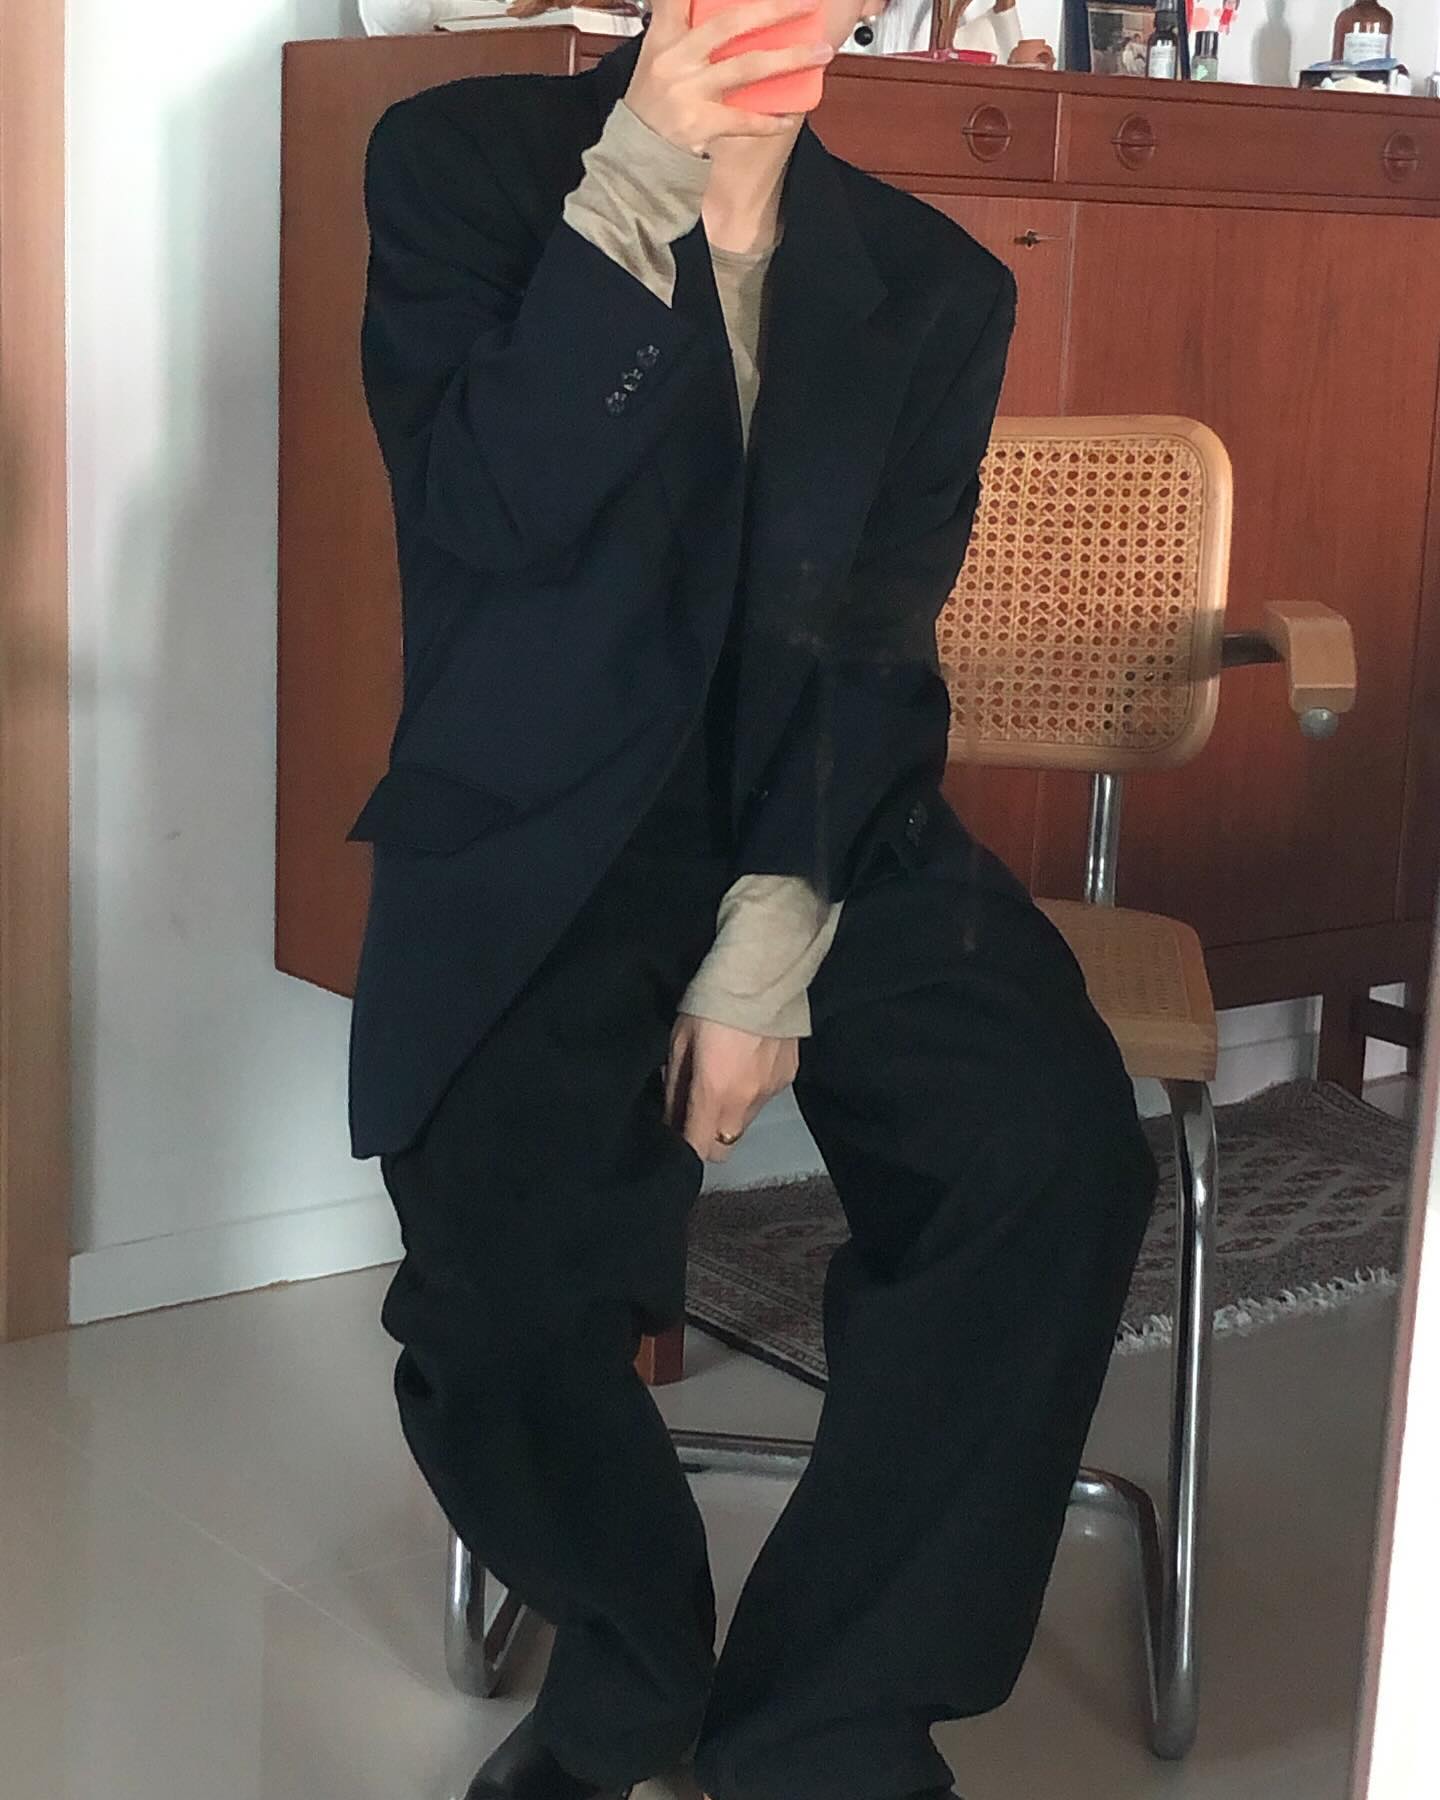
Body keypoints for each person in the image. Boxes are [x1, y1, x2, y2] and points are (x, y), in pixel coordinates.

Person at [348, 5, 1161, 1800]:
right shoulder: (461, 167)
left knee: (1047, 1151)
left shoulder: (933, 285)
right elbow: (481, 507)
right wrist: (642, 179)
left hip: (826, 807)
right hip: (542, 817)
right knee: (494, 1280)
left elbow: (869, 648)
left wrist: (768, 943)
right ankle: (627, 1675)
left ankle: (826, 1723)